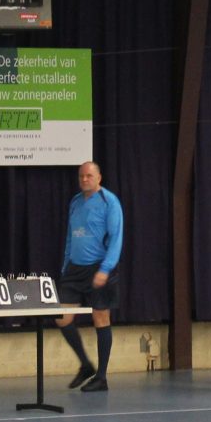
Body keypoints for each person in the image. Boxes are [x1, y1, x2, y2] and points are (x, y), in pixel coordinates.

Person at [55, 161, 124, 392]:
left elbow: (116, 238)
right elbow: (70, 236)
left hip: (99, 267)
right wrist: (66, 265)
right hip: (75, 269)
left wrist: (105, 269)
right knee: (62, 318)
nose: (85, 179)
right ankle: (85, 365)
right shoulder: (75, 202)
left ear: (99, 177)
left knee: (100, 318)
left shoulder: (109, 202)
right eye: (81, 176)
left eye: (89, 176)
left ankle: (101, 377)